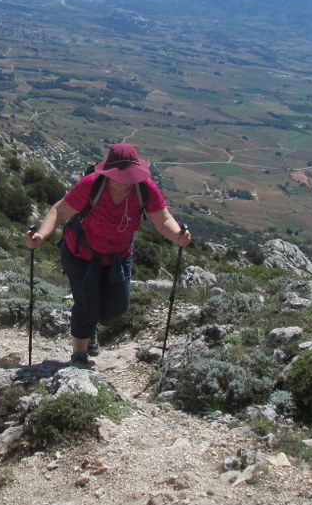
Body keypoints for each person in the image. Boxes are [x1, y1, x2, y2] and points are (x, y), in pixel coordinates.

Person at [25, 142, 192, 365]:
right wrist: (41, 236)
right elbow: (59, 211)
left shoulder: (144, 188)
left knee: (117, 307)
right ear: (109, 172)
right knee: (87, 305)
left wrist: (178, 236)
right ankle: (79, 355)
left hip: (118, 256)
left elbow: (162, 220)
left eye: (130, 176)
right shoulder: (92, 185)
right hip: (80, 254)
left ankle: (91, 326)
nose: (126, 182)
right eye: (121, 176)